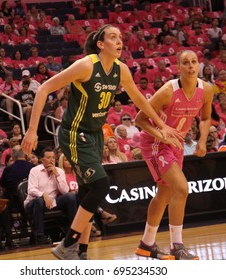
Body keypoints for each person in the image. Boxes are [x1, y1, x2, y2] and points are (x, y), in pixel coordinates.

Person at [21, 24, 180, 260]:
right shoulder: (87, 65)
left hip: (95, 135)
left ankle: (81, 253)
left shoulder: (121, 69)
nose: (119, 42)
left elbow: (138, 99)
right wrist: (32, 131)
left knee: (86, 191)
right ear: (100, 44)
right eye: (113, 37)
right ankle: (67, 244)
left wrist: (160, 123)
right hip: (75, 133)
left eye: (120, 38)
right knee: (100, 186)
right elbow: (44, 88)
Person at [135, 50, 213, 260]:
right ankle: (176, 246)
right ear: (178, 67)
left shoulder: (206, 89)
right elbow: (139, 120)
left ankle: (147, 243)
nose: (190, 66)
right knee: (181, 188)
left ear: (199, 65)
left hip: (176, 143)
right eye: (185, 63)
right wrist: (162, 134)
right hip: (155, 142)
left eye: (194, 62)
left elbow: (205, 119)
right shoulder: (168, 91)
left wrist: (203, 140)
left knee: (165, 194)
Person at [24, 148, 77, 244]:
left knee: (70, 197)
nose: (51, 160)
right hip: (34, 202)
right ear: (42, 159)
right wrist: (43, 195)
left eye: (53, 157)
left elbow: (65, 191)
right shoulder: (34, 170)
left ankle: (73, 231)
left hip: (52, 202)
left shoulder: (59, 171)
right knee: (40, 201)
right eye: (48, 157)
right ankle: (40, 236)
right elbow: (31, 190)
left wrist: (57, 175)